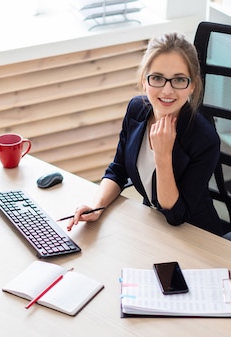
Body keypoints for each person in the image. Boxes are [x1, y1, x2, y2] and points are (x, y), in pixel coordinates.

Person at [66, 32, 222, 235]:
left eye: (179, 80)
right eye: (157, 78)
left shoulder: (205, 139)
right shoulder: (136, 110)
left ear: (192, 85)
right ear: (144, 80)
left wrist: (163, 156)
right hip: (153, 227)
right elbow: (118, 170)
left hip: (197, 236)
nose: (167, 90)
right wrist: (97, 207)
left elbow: (176, 215)